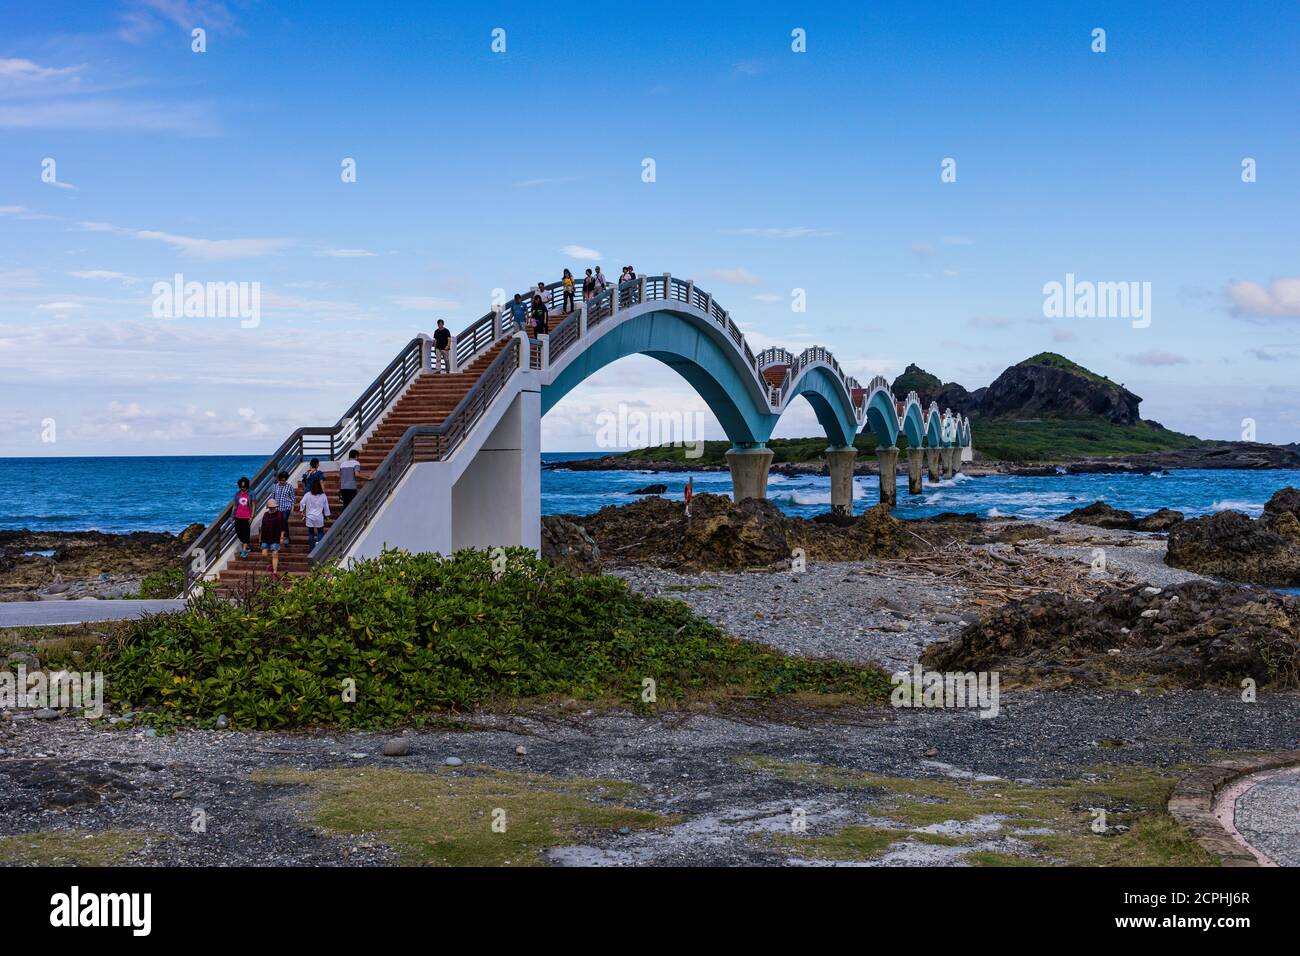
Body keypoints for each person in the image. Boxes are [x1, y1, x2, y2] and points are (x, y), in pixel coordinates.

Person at [259, 498, 286, 577]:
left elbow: (282, 526)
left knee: (275, 554)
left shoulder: (279, 514)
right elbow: (263, 526)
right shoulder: (265, 514)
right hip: (265, 537)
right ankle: (272, 563)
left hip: (275, 537)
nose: (272, 508)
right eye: (270, 507)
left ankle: (274, 571)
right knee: (264, 554)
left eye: (273, 507)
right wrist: (260, 537)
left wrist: (281, 536)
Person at [300, 479, 331, 550]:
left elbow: (302, 502)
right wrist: (327, 515)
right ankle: (319, 548)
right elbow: (326, 506)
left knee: (311, 533)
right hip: (319, 517)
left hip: (309, 517)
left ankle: (311, 549)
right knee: (320, 531)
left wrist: (302, 511)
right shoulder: (323, 495)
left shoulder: (308, 494)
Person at [269, 470, 296, 546]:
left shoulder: (289, 486)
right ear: (279, 479)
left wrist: (292, 508)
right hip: (277, 508)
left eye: (284, 480)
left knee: (284, 519)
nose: (283, 482)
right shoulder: (275, 486)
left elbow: (293, 498)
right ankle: (282, 536)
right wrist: (271, 506)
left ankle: (286, 537)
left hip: (286, 507)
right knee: (278, 522)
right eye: (281, 480)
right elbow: (272, 497)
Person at [232, 477, 254, 558]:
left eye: (244, 487)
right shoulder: (237, 494)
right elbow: (235, 505)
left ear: (247, 486)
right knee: (238, 530)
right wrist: (232, 515)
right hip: (238, 515)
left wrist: (252, 516)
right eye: (241, 486)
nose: (243, 488)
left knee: (246, 532)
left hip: (247, 516)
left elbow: (254, 504)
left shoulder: (251, 493)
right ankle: (247, 546)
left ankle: (244, 550)